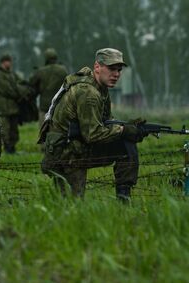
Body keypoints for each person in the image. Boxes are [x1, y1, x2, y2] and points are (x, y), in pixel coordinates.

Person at [39, 48, 145, 200]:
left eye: (119, 70)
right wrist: (123, 130)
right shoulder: (89, 93)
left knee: (126, 144)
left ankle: (124, 199)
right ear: (97, 67)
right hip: (67, 153)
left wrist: (128, 127)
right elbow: (93, 134)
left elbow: (105, 121)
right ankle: (123, 200)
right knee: (71, 205)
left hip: (71, 146)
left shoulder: (99, 87)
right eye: (111, 68)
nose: (116, 74)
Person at [0, 54, 32, 154]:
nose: (9, 63)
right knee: (5, 130)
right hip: (5, 109)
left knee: (14, 131)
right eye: (7, 61)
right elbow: (7, 90)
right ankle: (7, 149)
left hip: (14, 108)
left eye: (10, 61)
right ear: (3, 62)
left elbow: (21, 83)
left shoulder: (12, 74)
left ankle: (12, 148)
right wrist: (19, 94)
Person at [29, 48, 68, 126]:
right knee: (59, 132)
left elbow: (31, 83)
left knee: (43, 132)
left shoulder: (41, 71)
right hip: (59, 105)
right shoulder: (63, 70)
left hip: (45, 107)